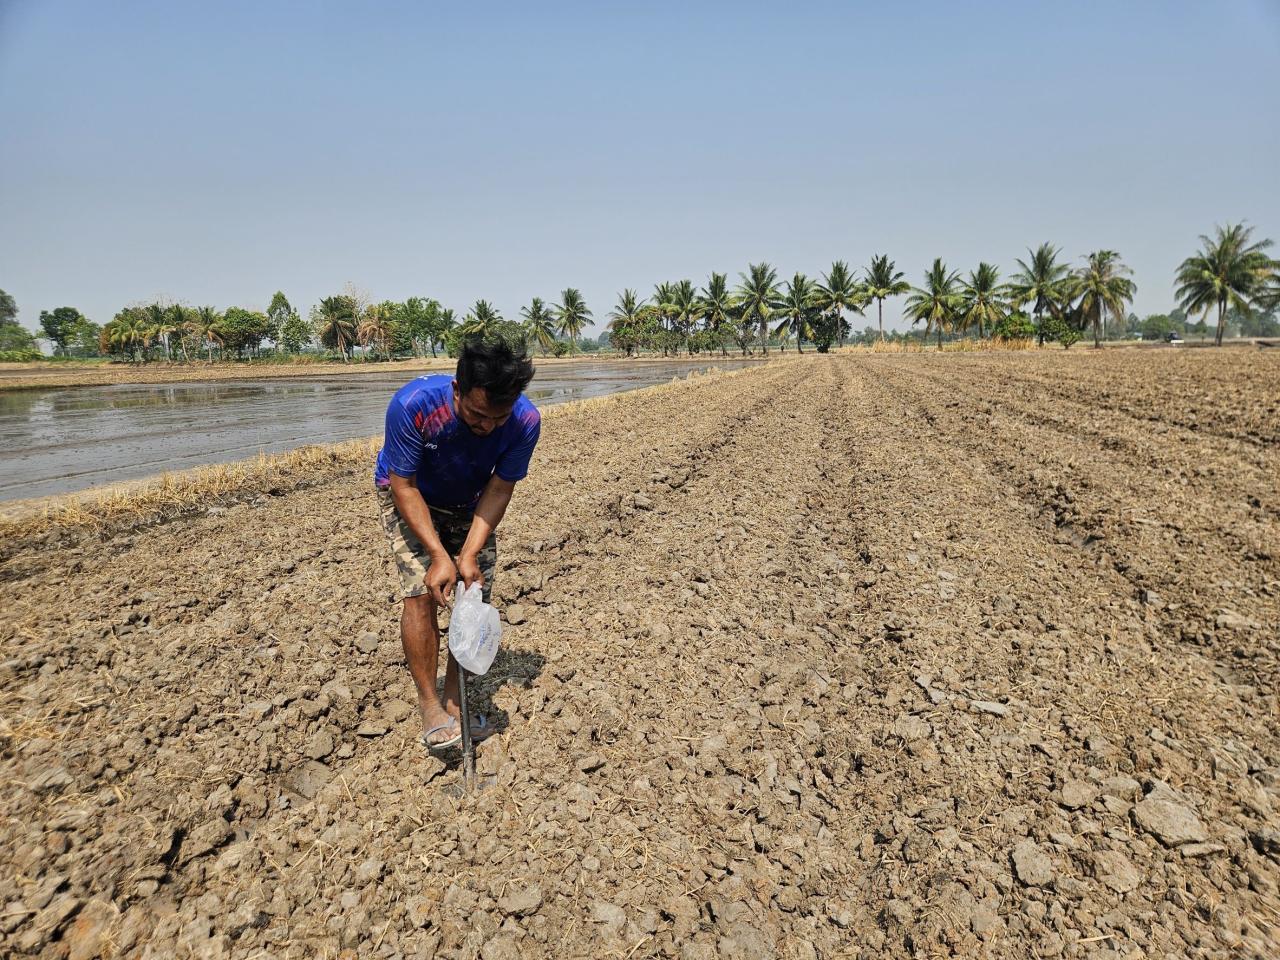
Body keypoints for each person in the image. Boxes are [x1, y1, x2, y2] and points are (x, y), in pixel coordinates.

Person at [374, 338, 540, 750]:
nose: (487, 426)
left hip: (472, 499)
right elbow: (403, 485)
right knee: (420, 594)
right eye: (477, 415)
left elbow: (501, 488)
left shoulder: (525, 421)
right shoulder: (413, 406)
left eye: (498, 418)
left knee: (472, 593)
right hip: (413, 496)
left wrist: (466, 555)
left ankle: (454, 700)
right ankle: (430, 705)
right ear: (456, 389)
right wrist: (436, 555)